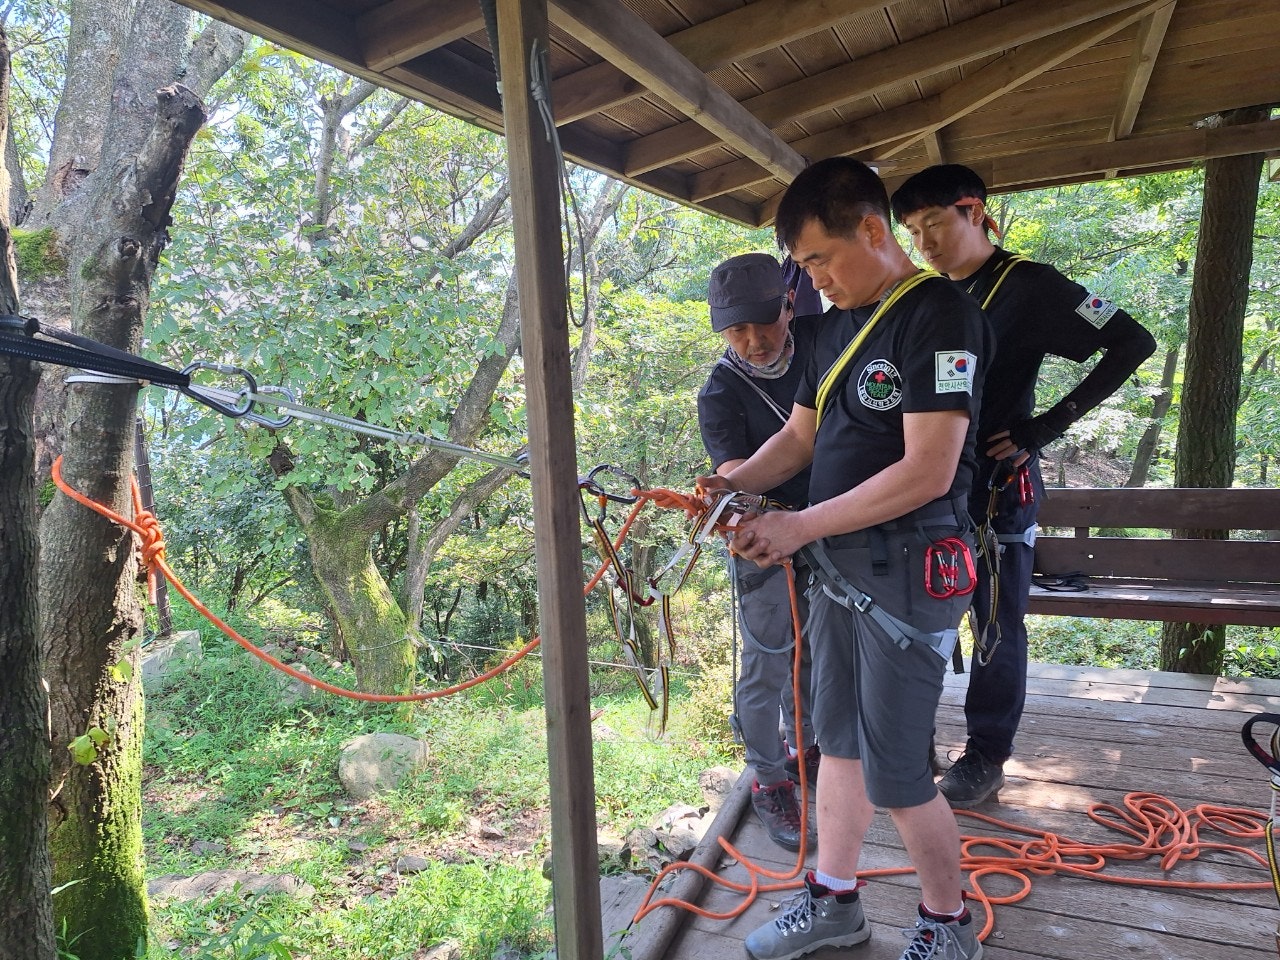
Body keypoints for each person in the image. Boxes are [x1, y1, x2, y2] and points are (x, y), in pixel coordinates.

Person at [701, 157, 993, 960]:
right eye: (805, 267)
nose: (813, 282)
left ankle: (947, 925)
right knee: (835, 742)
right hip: (838, 568)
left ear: (872, 231)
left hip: (907, 568)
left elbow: (929, 468)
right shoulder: (832, 328)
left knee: (897, 765)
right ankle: (835, 900)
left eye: (821, 259)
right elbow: (796, 439)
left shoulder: (938, 316)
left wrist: (797, 527)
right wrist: (727, 483)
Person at [891, 164, 1157, 809]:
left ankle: (985, 755)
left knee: (995, 623)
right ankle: (911, 740)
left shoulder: (1030, 287)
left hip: (997, 491)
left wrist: (1047, 425)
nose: (924, 242)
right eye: (912, 230)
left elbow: (1132, 342)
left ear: (974, 211)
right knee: (913, 613)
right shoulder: (925, 298)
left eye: (934, 224)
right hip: (925, 487)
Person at [698, 252, 821, 853]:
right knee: (768, 659)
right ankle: (770, 779)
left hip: (837, 527)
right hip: (765, 536)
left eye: (763, 324)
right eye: (736, 330)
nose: (753, 341)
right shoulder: (722, 390)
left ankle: (806, 748)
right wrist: (757, 520)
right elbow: (733, 476)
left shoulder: (827, 346)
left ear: (789, 307)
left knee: (821, 655)